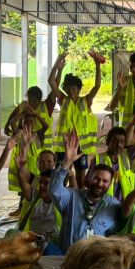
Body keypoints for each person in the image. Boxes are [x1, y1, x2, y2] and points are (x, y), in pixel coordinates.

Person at [49, 132, 122, 253]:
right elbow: (54, 189)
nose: (100, 184)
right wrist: (66, 163)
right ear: (89, 178)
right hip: (68, 257)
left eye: (105, 181)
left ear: (109, 185)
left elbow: (114, 236)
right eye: (96, 179)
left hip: (95, 260)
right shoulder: (72, 196)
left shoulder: (113, 205)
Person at [47, 51, 102, 187]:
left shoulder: (86, 101)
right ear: (65, 89)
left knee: (80, 180)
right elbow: (51, 81)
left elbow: (97, 86)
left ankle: (79, 204)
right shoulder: (63, 100)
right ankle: (61, 201)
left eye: (73, 88)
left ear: (78, 89)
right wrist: (57, 65)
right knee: (62, 176)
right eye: (68, 88)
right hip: (64, 146)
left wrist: (97, 65)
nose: (71, 91)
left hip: (80, 147)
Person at [15, 148, 63, 252]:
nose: (45, 164)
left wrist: (71, 173)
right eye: (41, 161)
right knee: (11, 234)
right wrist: (20, 168)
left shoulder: (62, 196)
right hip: (33, 238)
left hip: (52, 240)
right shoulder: (34, 191)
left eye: (49, 161)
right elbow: (23, 176)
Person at [96, 125, 135, 201]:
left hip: (124, 204)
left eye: (122, 142)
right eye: (115, 141)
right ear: (108, 142)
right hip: (104, 204)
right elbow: (88, 181)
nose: (119, 145)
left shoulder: (125, 158)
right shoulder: (98, 159)